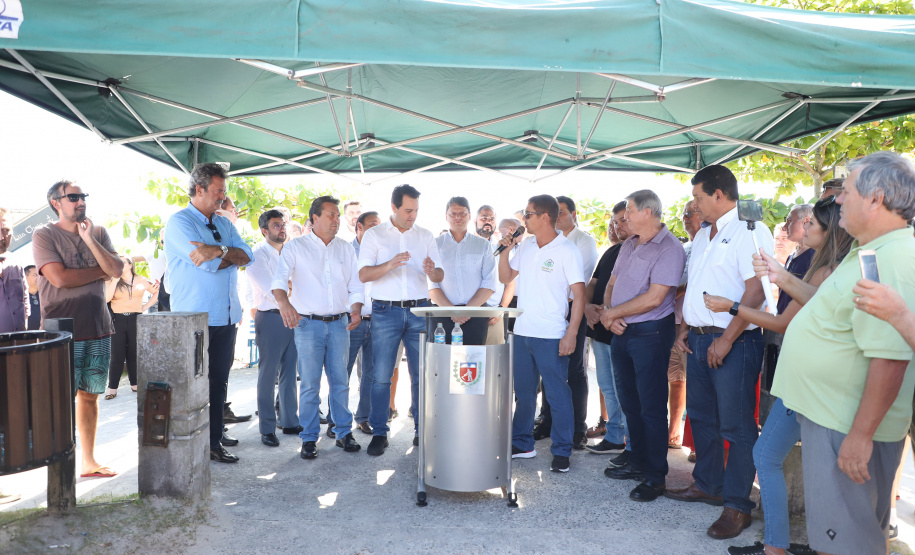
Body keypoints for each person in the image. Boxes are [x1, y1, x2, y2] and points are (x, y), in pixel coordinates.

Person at [762, 151, 915, 555]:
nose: (837, 201)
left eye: (845, 192)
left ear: (875, 198)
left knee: (846, 545)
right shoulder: (867, 251)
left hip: (846, 424)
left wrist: (861, 436)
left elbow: (891, 357)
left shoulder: (894, 257)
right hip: (832, 418)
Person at [704, 197, 852, 555]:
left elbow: (784, 322)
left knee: (777, 460)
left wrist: (733, 307)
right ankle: (777, 546)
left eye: (812, 224)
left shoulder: (828, 270)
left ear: (828, 230)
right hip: (803, 380)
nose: (804, 228)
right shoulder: (820, 264)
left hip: (811, 384)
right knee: (768, 457)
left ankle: (784, 546)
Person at [664, 165, 772, 540]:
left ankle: (738, 506)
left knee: (738, 426)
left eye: (697, 197)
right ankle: (708, 484)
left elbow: (756, 290)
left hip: (735, 341)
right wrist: (685, 330)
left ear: (719, 195)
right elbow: (697, 287)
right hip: (698, 339)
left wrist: (727, 338)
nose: (694, 204)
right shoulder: (705, 235)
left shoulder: (749, 230)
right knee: (703, 417)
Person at [33, 181, 124, 477]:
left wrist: (90, 240)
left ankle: (89, 462)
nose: (80, 201)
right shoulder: (44, 235)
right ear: (55, 202)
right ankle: (58, 468)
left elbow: (118, 270)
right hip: (60, 332)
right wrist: (100, 271)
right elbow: (58, 278)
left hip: (98, 326)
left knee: (90, 396)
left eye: (82, 196)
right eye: (73, 197)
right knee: (59, 400)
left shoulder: (97, 232)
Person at [599, 190, 685, 502]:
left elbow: (655, 297)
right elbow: (611, 285)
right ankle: (636, 459)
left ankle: (655, 476)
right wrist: (610, 318)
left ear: (648, 212)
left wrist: (612, 315)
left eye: (630, 212)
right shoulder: (629, 244)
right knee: (630, 403)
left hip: (650, 334)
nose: (625, 219)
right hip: (622, 331)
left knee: (650, 406)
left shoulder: (670, 248)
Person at [164, 163, 253, 464]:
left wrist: (218, 250)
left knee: (219, 379)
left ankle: (215, 434)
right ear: (199, 189)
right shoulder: (179, 223)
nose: (222, 198)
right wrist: (225, 254)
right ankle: (200, 443)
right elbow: (207, 263)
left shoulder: (224, 223)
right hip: (196, 318)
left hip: (226, 316)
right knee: (196, 384)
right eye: (218, 191)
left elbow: (247, 256)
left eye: (223, 192)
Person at [272, 196, 365, 459]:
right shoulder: (295, 248)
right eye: (332, 215)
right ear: (314, 218)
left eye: (338, 216)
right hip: (307, 324)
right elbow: (279, 281)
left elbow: (356, 285)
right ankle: (309, 438)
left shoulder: (346, 249)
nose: (338, 220)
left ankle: (343, 432)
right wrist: (284, 304)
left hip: (339, 324)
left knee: (340, 382)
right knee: (310, 384)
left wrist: (356, 308)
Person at [500, 194, 585, 473]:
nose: (524, 219)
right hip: (523, 332)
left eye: (528, 214)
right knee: (524, 393)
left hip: (551, 334)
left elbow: (579, 297)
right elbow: (505, 278)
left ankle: (562, 450)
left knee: (558, 395)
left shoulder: (567, 250)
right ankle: (522, 443)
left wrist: (571, 334)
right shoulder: (524, 247)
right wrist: (505, 249)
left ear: (544, 217)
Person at [358, 184, 443, 456]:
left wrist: (434, 271)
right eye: (408, 210)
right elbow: (363, 275)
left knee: (421, 375)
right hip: (385, 312)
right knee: (381, 375)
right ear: (393, 208)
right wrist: (390, 265)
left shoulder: (426, 235)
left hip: (420, 310)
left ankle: (421, 431)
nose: (413, 216)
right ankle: (380, 433)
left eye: (416, 210)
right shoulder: (374, 235)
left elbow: (440, 275)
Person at [535, 196, 597, 449]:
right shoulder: (546, 242)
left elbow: (576, 283)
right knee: (550, 368)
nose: (557, 218)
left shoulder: (583, 241)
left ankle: (577, 429)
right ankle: (547, 422)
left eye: (562, 213)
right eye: (555, 213)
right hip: (550, 310)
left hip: (573, 308)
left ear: (574, 213)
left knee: (575, 371)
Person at [245, 209, 300, 447]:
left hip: (294, 316)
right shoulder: (257, 255)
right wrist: (289, 286)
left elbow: (299, 284)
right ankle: (267, 428)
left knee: (290, 371)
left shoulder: (290, 252)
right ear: (264, 230)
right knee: (268, 374)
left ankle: (289, 421)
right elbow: (274, 290)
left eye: (283, 224)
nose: (282, 229)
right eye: (276, 225)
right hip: (270, 318)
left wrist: (290, 286)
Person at [584, 202, 629, 457]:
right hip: (599, 330)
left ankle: (629, 441)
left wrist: (610, 313)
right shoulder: (611, 252)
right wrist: (589, 307)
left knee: (623, 388)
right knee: (607, 386)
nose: (618, 226)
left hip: (620, 330)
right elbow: (593, 283)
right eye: (614, 221)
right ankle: (614, 436)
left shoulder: (639, 250)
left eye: (623, 220)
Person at [429, 196, 496, 345]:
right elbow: (431, 285)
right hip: (442, 315)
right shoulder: (434, 245)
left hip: (476, 314)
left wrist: (467, 310)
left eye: (462, 213)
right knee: (442, 363)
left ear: (470, 216)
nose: (458, 217)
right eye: (453, 214)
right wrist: (452, 311)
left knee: (473, 363)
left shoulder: (483, 245)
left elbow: (489, 282)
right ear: (446, 216)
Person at [346, 211, 382, 435]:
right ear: (358, 227)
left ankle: (363, 417)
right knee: (342, 371)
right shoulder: (346, 251)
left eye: (379, 225)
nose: (376, 230)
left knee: (370, 373)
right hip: (352, 320)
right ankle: (335, 420)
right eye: (371, 225)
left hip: (378, 319)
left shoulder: (382, 251)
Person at [104, 256, 159, 399]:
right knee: (117, 354)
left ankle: (134, 384)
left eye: (122, 262)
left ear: (130, 264)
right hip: (118, 319)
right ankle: (112, 388)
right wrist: (115, 280)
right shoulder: (112, 280)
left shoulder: (141, 280)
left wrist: (145, 306)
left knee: (133, 353)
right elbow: (106, 299)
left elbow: (157, 292)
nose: (119, 264)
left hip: (136, 318)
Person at [775, 204, 814, 315]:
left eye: (790, 221)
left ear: (806, 221)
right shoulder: (791, 257)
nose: (785, 227)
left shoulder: (815, 258)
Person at [0, 207, 28, 334]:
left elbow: (25, 302)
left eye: (6, 230)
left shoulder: (16, 263)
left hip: (17, 346)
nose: (1, 237)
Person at [24, 265, 41, 330]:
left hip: (44, 336)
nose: (38, 277)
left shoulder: (45, 295)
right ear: (25, 277)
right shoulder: (20, 297)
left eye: (39, 275)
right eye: (35, 275)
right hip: (27, 337)